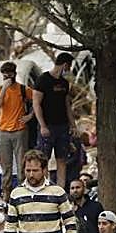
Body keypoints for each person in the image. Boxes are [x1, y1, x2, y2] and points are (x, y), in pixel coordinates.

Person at [34, 52, 76, 187]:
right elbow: (36, 103)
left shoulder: (64, 83)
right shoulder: (43, 80)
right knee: (43, 159)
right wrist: (42, 125)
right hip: (48, 125)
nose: (69, 69)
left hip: (62, 126)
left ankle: (61, 188)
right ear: (65, 64)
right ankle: (44, 187)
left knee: (62, 159)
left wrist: (73, 125)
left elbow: (67, 105)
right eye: (69, 66)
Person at [0, 60, 34, 201]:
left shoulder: (23, 89)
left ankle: (23, 192)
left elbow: (37, 99)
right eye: (4, 76)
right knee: (6, 166)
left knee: (22, 163)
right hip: (4, 130)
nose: (6, 78)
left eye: (8, 76)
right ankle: (6, 194)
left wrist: (30, 115)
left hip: (19, 130)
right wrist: (4, 88)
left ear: (14, 75)